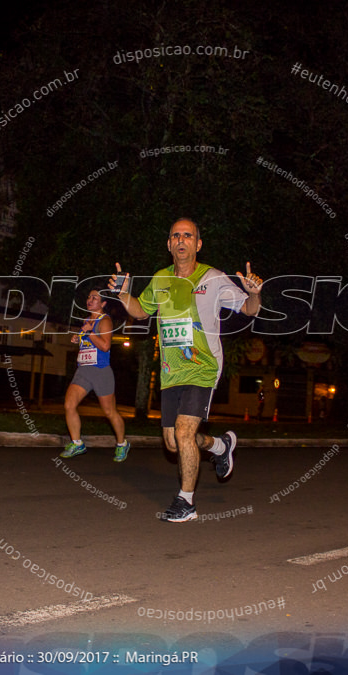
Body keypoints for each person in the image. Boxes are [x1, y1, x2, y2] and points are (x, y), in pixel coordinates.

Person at [110, 218, 262, 522]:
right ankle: (220, 446)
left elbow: (249, 309)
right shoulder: (160, 278)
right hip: (171, 370)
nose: (181, 240)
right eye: (176, 236)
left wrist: (254, 292)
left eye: (188, 236)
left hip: (203, 366)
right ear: (169, 244)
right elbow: (141, 310)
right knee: (173, 441)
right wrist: (124, 295)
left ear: (198, 244)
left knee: (183, 432)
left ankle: (186, 502)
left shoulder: (214, 278)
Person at [59, 286, 130, 462]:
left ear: (103, 303)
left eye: (95, 298)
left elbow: (105, 346)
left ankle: (122, 444)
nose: (90, 300)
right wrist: (79, 337)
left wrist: (89, 332)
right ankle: (77, 443)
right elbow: (89, 342)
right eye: (89, 297)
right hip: (83, 370)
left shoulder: (104, 321)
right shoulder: (86, 321)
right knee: (69, 405)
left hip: (100, 371)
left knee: (109, 412)